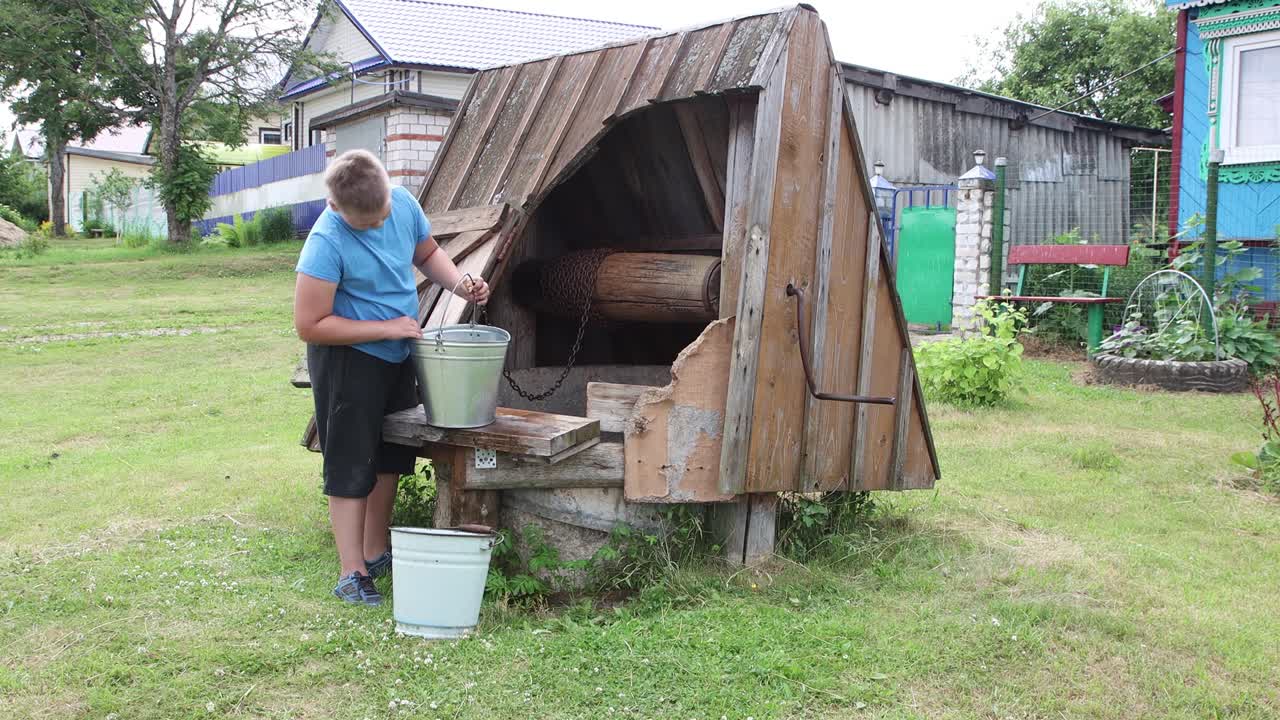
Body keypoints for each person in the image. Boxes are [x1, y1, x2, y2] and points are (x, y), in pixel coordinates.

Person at [293, 149, 489, 606]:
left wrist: (459, 282)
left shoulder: (400, 202)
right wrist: (388, 327)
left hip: (397, 351)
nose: (381, 226)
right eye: (369, 223)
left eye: (383, 215)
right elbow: (310, 324)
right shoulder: (325, 241)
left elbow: (427, 252)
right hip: (347, 359)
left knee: (389, 455)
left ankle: (376, 550)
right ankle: (351, 570)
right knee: (350, 459)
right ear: (337, 208)